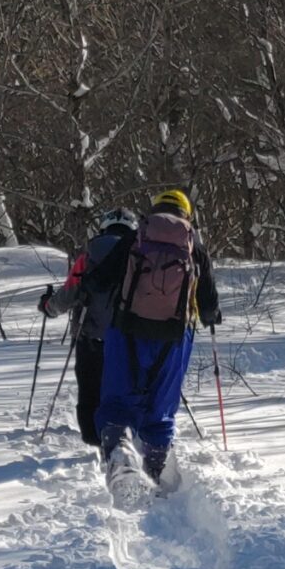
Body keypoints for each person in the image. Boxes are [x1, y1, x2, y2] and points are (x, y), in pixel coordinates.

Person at [93, 188, 221, 485]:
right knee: (161, 405)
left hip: (126, 328)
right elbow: (209, 305)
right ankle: (155, 470)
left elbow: (99, 281)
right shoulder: (194, 244)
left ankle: (120, 450)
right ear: (187, 213)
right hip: (174, 335)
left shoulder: (136, 237)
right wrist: (211, 315)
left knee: (118, 398)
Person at [38, 206, 138, 445]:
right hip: (129, 337)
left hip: (90, 335)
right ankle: (127, 435)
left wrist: (48, 307)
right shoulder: (138, 255)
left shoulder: (89, 256)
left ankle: (93, 437)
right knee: (126, 389)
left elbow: (69, 294)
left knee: (90, 388)